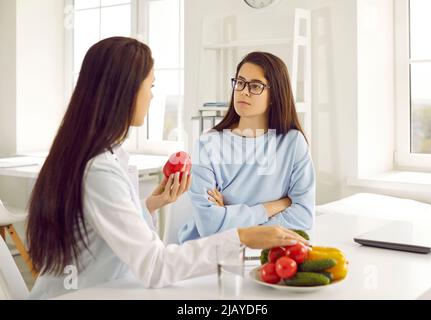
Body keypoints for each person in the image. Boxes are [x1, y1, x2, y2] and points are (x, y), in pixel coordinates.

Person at [25, 38, 308, 299]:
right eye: (150, 87)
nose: (151, 97)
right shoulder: (99, 170)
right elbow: (155, 265)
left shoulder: (107, 155)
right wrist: (244, 234)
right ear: (124, 91)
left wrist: (149, 204)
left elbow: (103, 228)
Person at [178, 52, 315, 244]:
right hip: (208, 254)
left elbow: (303, 216)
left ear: (274, 95)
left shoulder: (293, 143)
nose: (243, 91)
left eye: (255, 86)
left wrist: (228, 215)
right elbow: (209, 226)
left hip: (262, 252)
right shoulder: (207, 144)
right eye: (240, 82)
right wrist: (276, 205)